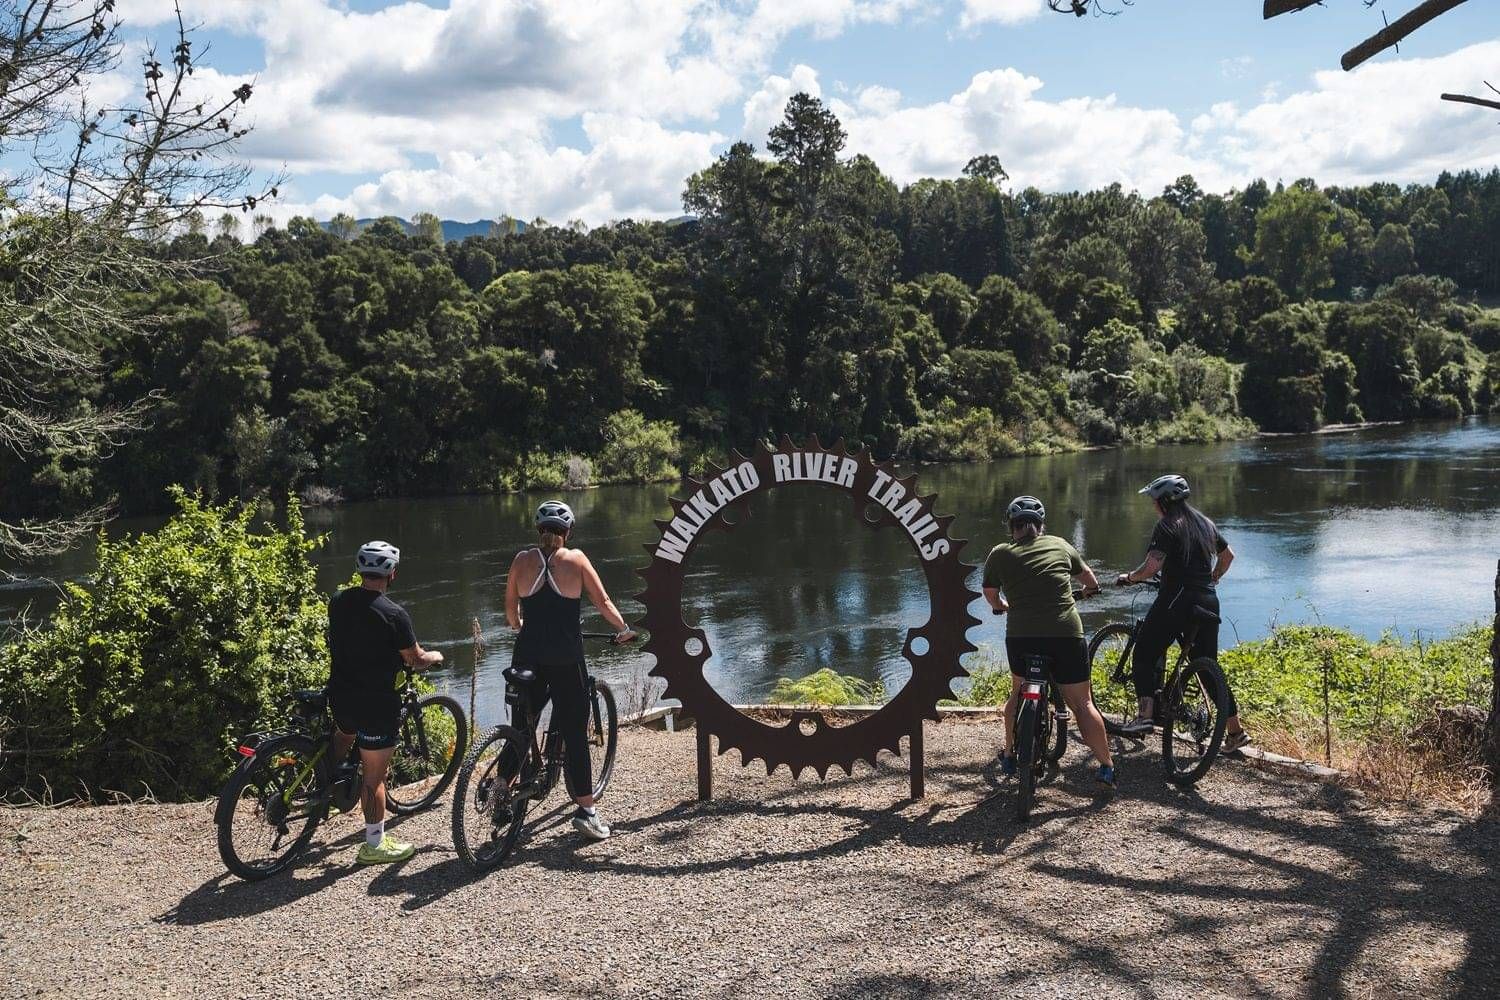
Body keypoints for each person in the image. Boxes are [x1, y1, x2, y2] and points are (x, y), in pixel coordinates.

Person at [506, 500, 636, 841]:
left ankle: (500, 790)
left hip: (526, 657)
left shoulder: (520, 561)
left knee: (520, 728)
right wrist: (623, 628)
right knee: (576, 734)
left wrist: (525, 628)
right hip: (564, 659)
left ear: (538, 530)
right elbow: (603, 602)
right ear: (568, 532)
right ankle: (587, 813)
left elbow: (510, 616)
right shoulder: (576, 560)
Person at [982, 495, 1117, 788]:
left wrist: (1004, 606)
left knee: (1018, 692)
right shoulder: (1060, 545)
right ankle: (1106, 766)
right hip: (1065, 635)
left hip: (1022, 636)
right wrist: (1083, 593)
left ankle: (1008, 754)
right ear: (1041, 525)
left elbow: (991, 594)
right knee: (1082, 704)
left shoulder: (999, 553)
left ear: (1011, 526)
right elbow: (1091, 583)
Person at [328, 540, 445, 865]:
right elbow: (415, 658)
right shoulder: (394, 614)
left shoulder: (339, 600)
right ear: (392, 574)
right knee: (374, 777)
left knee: (344, 734)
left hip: (340, 694)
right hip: (376, 704)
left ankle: (327, 783)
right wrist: (433, 656)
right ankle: (375, 844)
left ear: (359, 570)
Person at [1115, 474, 1249, 751]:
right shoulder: (1205, 523)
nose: (1153, 506)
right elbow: (1228, 556)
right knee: (1207, 667)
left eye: (1154, 500)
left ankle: (1144, 717)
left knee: (1144, 653)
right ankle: (1235, 733)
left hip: (1177, 600)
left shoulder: (1167, 526)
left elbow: (1152, 567)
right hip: (1208, 602)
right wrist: (1212, 578)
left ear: (1163, 501)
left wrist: (1130, 577)